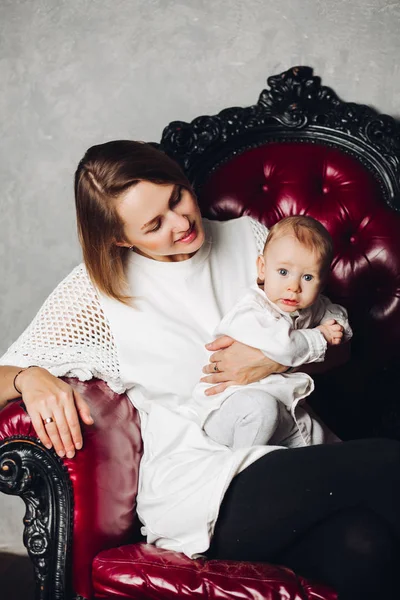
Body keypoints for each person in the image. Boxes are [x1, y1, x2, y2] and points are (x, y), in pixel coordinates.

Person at [0, 140, 399, 600]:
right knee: (388, 463)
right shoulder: (98, 292)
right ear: (120, 239)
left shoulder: (250, 238)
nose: (181, 222)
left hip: (284, 454)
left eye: (176, 197)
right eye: (154, 224)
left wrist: (272, 359)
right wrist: (27, 376)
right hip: (199, 484)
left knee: (366, 549)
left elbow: (340, 350)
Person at [189, 215, 352, 450]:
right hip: (226, 407)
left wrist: (335, 323)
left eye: (307, 277)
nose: (293, 287)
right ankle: (242, 468)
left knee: (326, 445)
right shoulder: (253, 309)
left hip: (281, 407)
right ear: (263, 269)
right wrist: (321, 336)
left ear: (322, 284)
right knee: (262, 410)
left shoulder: (306, 305)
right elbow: (285, 347)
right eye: (283, 272)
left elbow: (334, 313)